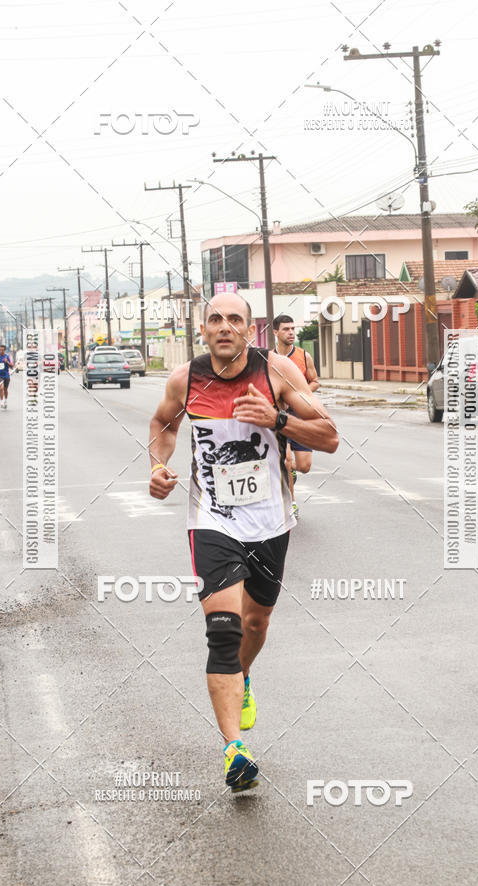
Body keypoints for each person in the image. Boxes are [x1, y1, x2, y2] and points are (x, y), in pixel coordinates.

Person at [148, 293, 338, 793]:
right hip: (211, 519)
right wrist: (157, 467)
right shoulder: (184, 379)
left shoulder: (276, 372)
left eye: (235, 318)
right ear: (203, 329)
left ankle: (242, 677)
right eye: (216, 318)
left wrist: (277, 420)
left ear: (249, 329)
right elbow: (162, 426)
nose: (225, 326)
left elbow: (329, 436)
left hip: (271, 521)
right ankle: (235, 749)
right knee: (225, 629)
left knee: (256, 621)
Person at [272, 313, 320, 518]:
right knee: (286, 460)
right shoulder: (269, 358)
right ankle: (290, 503)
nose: (291, 332)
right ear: (276, 332)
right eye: (286, 329)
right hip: (280, 415)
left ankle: (292, 474)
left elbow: (315, 380)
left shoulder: (303, 356)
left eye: (293, 328)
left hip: (300, 414)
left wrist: (301, 394)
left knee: (304, 466)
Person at [0, 344, 13, 408]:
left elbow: (12, 366)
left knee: (5, 389)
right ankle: (1, 401)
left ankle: (5, 401)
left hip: (6, 375)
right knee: (1, 388)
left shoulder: (7, 356)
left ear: (4, 351)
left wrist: (7, 362)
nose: (1, 351)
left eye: (2, 350)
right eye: (0, 350)